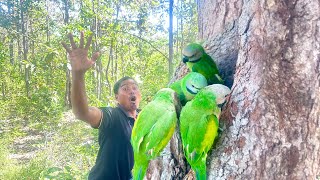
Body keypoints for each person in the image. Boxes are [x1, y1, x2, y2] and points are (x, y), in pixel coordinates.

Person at [62, 32, 142, 180]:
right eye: (125, 88)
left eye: (135, 87)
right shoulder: (113, 116)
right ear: (116, 98)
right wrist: (78, 74)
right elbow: (82, 113)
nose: (131, 90)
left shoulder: (145, 116)